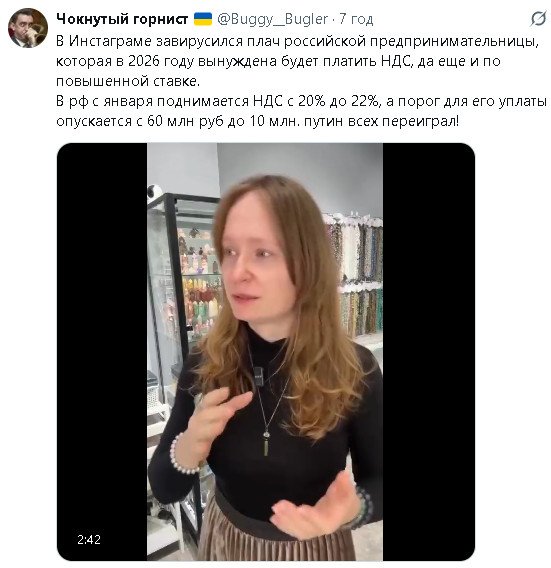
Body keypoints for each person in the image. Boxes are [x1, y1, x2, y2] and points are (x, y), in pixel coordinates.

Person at [148, 175, 383, 560]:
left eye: (262, 253)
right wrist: (188, 446)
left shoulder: (356, 370)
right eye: (229, 251)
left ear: (306, 264)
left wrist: (349, 510)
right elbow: (164, 487)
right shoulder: (205, 362)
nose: (236, 271)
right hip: (226, 544)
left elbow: (380, 480)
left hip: (317, 549)